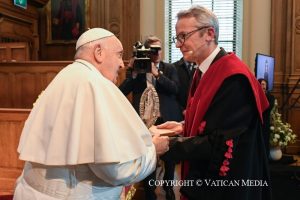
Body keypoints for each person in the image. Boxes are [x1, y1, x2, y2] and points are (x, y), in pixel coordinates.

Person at [13, 28, 169, 200]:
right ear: (98, 52)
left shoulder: (64, 76)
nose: (122, 64)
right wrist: (153, 150)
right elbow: (117, 170)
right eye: (119, 55)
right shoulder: (94, 85)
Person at [157, 6, 272, 200]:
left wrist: (168, 145)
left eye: (184, 36)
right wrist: (184, 127)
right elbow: (215, 120)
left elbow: (220, 142)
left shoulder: (233, 77)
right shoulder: (205, 70)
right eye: (177, 37)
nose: (178, 44)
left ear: (209, 34)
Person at [119, 36, 181, 200]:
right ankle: (149, 192)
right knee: (148, 154)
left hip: (166, 119)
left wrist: (157, 74)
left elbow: (174, 89)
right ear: (145, 52)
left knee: (170, 156)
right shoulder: (138, 69)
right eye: (152, 49)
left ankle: (168, 189)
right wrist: (131, 73)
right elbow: (122, 91)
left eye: (159, 49)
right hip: (144, 122)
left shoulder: (169, 68)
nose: (157, 52)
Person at [258, 78, 275, 158]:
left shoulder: (270, 97)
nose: (263, 86)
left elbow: (268, 107)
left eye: (264, 84)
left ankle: (265, 158)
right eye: (261, 84)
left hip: (265, 121)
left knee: (265, 140)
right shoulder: (255, 95)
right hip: (257, 121)